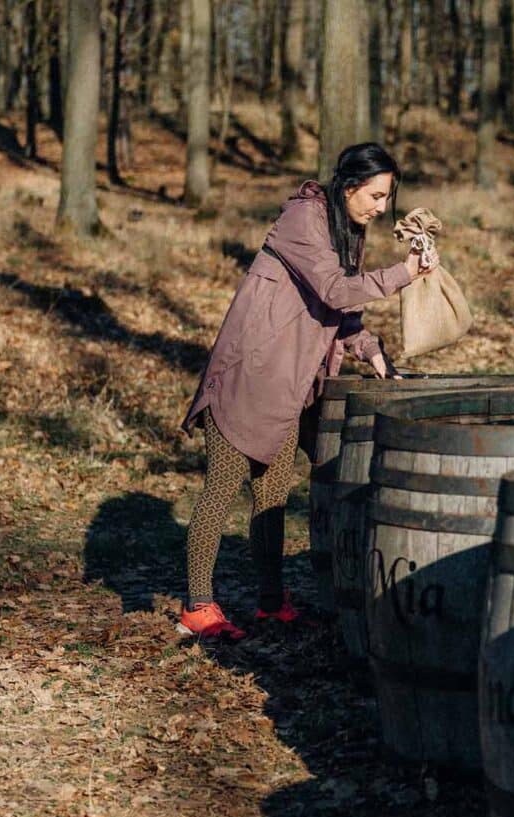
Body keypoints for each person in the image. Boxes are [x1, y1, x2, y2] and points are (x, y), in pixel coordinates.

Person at [177, 143, 433, 640]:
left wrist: (372, 351)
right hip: (248, 373)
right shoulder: (305, 219)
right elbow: (334, 290)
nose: (382, 208)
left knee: (272, 495)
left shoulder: (346, 232)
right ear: (350, 185)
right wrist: (404, 275)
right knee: (222, 488)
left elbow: (341, 312)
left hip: (288, 382)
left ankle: (271, 602)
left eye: (388, 199)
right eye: (377, 196)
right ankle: (197, 605)